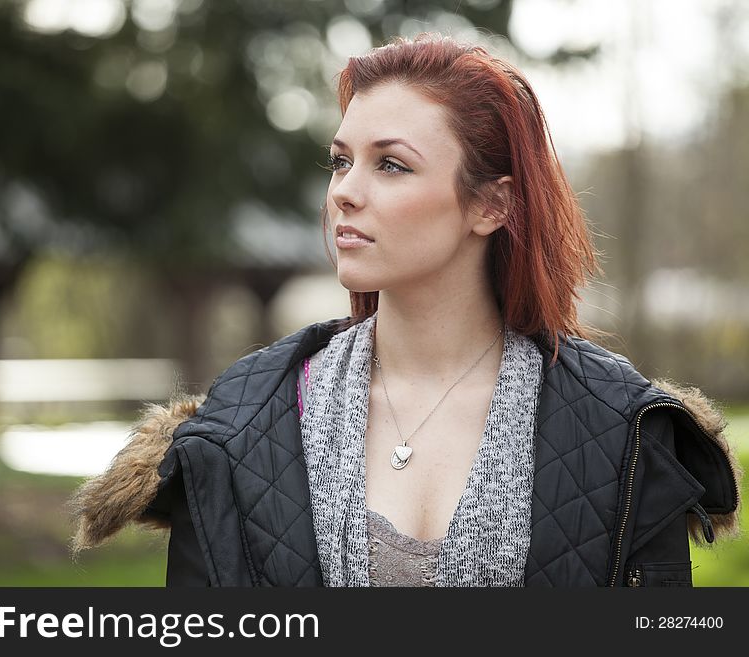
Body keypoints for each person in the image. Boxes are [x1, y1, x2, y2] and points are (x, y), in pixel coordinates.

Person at [70, 34, 742, 587]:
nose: (344, 194)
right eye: (340, 162)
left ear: (492, 204)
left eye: (390, 165)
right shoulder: (241, 422)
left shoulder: (623, 429)